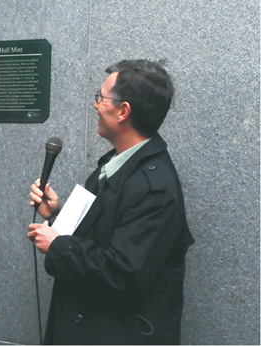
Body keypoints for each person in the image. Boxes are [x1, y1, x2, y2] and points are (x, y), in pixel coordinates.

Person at [28, 60, 195, 344]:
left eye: (101, 98)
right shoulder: (116, 163)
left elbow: (123, 274)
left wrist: (58, 245)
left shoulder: (154, 188)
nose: (95, 105)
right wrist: (55, 218)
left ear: (123, 111)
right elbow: (100, 236)